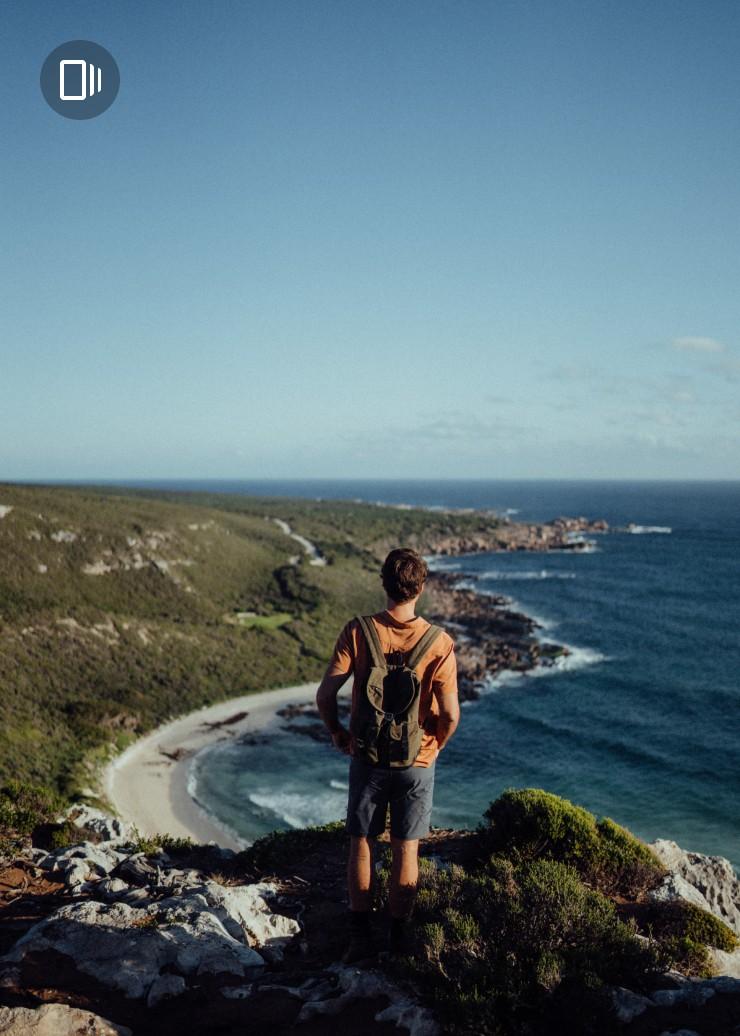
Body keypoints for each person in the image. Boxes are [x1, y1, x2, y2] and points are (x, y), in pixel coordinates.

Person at [316, 547, 460, 961]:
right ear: (422, 587)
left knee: (361, 842)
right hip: (416, 761)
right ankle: (399, 936)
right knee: (406, 847)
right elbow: (449, 715)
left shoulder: (359, 631)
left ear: (384, 582)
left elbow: (326, 694)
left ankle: (360, 934)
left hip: (367, 756)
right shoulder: (440, 643)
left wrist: (337, 733)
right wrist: (434, 747)